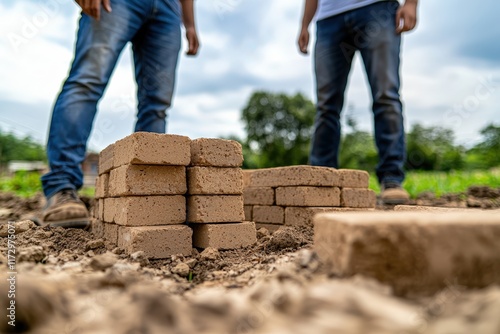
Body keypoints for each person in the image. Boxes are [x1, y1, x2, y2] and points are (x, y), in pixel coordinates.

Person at [38, 0, 199, 228]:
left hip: (168, 8)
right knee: (87, 81)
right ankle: (61, 187)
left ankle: (147, 194)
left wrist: (189, 24)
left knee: (157, 103)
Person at [298, 0, 418, 204]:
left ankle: (391, 179)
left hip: (377, 8)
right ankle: (320, 180)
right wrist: (304, 25)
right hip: (328, 19)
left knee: (385, 95)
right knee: (326, 105)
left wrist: (412, 3)